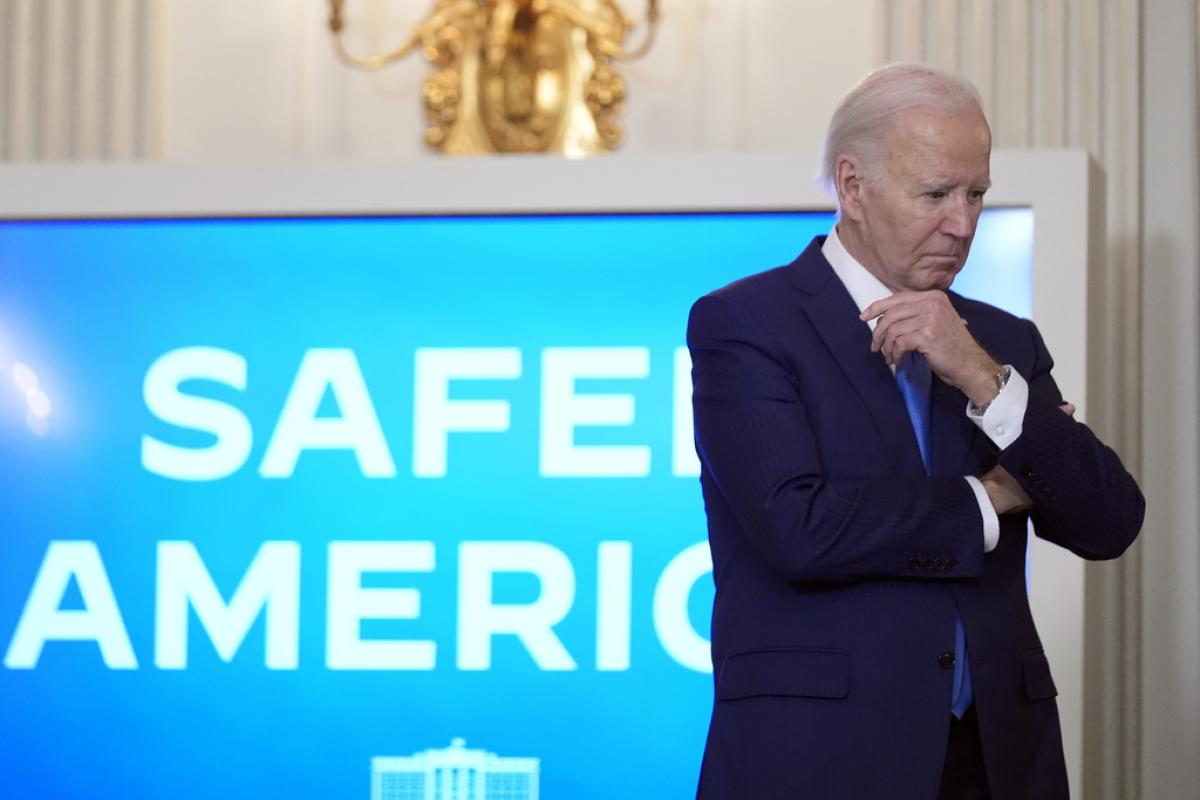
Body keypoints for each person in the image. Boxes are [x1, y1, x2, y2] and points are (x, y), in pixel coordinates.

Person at [687, 63, 1145, 800]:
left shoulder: (1001, 342)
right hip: (821, 760)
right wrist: (990, 499)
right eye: (935, 194)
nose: (962, 224)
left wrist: (982, 377)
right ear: (852, 185)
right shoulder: (746, 323)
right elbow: (800, 528)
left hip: (997, 761)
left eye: (976, 194)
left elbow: (1109, 521)